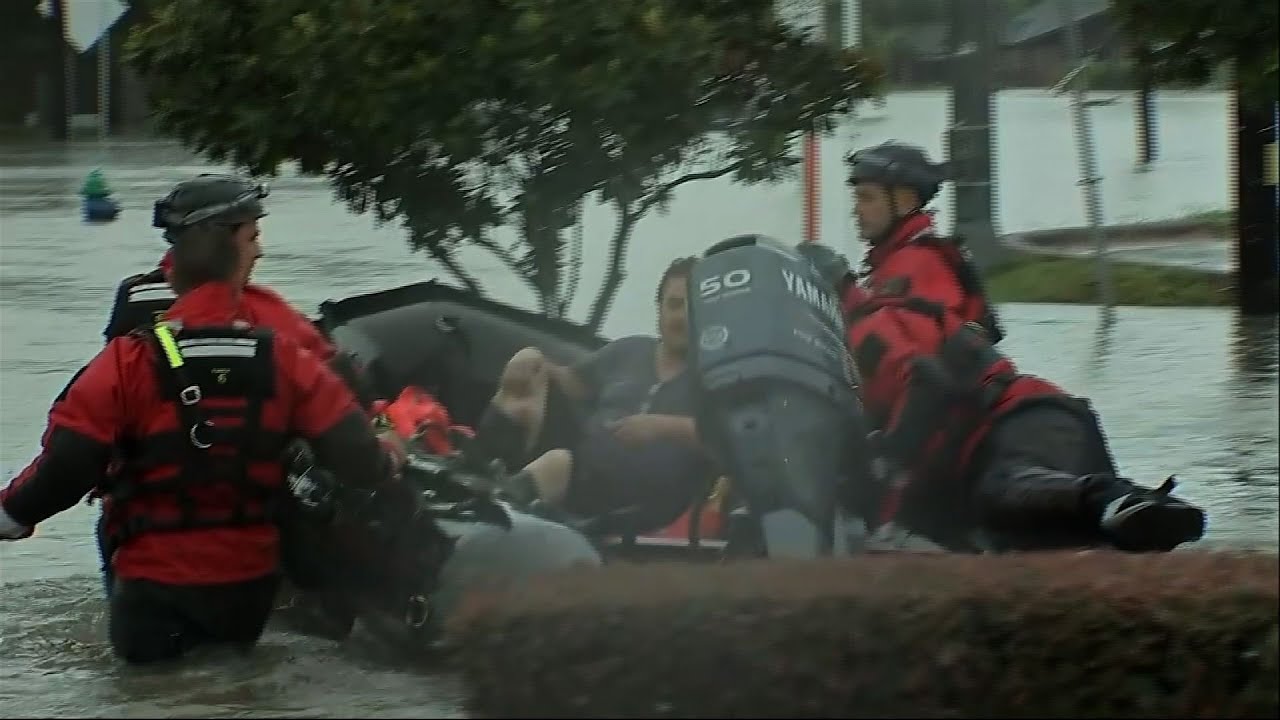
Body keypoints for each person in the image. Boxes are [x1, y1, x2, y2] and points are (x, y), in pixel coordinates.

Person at [0, 173, 410, 665]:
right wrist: (389, 455)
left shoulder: (126, 359)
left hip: (151, 586)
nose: (258, 251)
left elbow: (67, 466)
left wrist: (12, 516)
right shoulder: (286, 352)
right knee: (231, 682)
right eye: (253, 237)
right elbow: (355, 453)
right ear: (232, 244)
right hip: (245, 588)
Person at [823, 140, 1206, 553]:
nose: (856, 210)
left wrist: (889, 460)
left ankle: (1119, 504)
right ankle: (1127, 511)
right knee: (1006, 525)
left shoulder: (910, 274)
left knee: (1006, 491)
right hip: (1008, 429)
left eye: (866, 197)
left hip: (1015, 422)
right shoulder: (900, 273)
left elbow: (929, 378)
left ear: (905, 200)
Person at [470, 257, 716, 535]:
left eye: (693, 307)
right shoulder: (629, 351)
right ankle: (479, 482)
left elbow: (729, 441)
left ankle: (501, 509)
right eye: (674, 305)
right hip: (582, 478)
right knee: (550, 439)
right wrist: (532, 360)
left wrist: (661, 427)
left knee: (559, 466)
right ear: (659, 309)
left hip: (646, 508)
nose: (682, 316)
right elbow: (573, 382)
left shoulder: (718, 376)